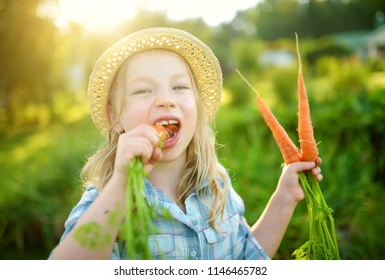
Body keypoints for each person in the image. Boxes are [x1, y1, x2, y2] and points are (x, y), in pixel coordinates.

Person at [49, 27, 323, 260]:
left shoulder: (217, 184)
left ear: (196, 107)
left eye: (179, 87)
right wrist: (121, 181)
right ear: (114, 116)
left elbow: (244, 261)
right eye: (143, 90)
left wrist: (285, 198)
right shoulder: (105, 201)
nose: (165, 99)